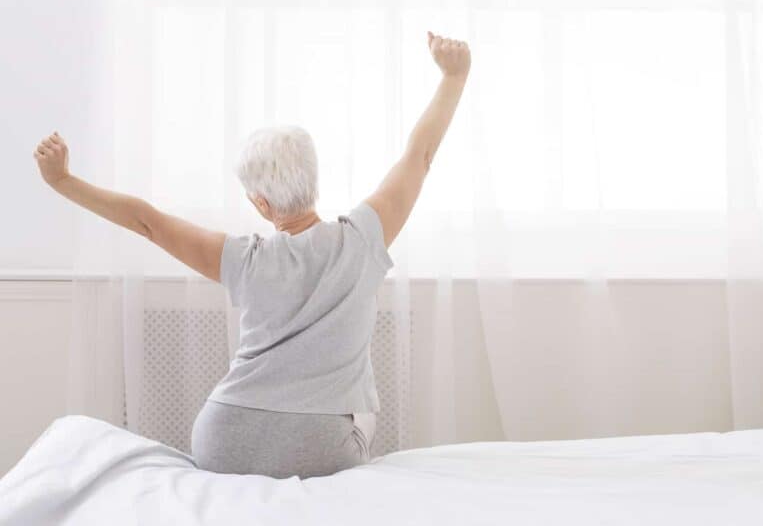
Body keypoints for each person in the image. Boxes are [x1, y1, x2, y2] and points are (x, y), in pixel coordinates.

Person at [32, 31, 470, 478]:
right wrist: (454, 77)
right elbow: (420, 156)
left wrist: (63, 182)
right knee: (365, 413)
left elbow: (147, 221)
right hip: (320, 446)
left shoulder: (241, 259)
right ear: (314, 180)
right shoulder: (362, 240)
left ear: (260, 204)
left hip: (224, 438)